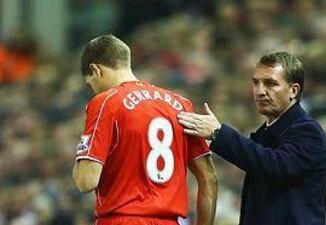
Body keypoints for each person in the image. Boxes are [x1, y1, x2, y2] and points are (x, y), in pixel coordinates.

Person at [72, 34, 217, 225]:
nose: (94, 91)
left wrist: (80, 159)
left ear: (95, 69)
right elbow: (208, 177)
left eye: (91, 85)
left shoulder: (106, 101)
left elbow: (86, 181)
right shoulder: (181, 105)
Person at [178, 51, 326, 225]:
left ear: (293, 90)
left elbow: (275, 165)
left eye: (270, 84)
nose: (260, 91)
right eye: (255, 83)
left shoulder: (308, 131)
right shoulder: (266, 132)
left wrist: (218, 134)